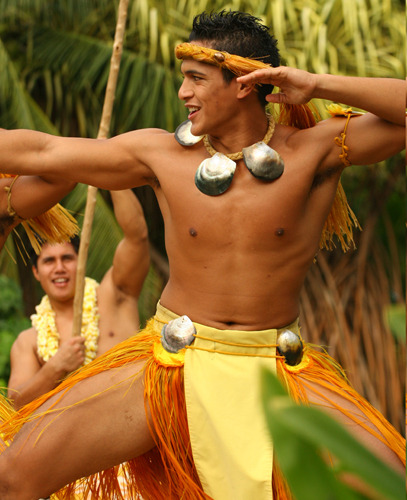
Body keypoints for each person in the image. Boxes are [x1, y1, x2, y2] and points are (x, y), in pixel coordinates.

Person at [0, 10, 404, 500]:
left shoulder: (314, 151)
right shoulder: (159, 155)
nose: (182, 93)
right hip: (169, 364)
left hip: (277, 368)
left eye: (196, 79)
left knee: (391, 486)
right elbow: (40, 152)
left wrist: (315, 84)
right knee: (12, 474)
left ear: (244, 83)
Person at [6, 187, 150, 411]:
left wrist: (112, 177)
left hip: (134, 425)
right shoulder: (28, 342)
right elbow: (17, 405)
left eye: (67, 258)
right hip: (74, 442)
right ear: (36, 272)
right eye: (49, 261)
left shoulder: (115, 295)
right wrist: (55, 367)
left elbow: (137, 238)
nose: (60, 268)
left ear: (80, 259)